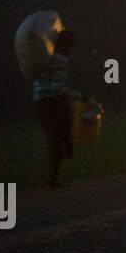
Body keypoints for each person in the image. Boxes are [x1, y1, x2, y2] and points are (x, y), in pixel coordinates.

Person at [33, 29, 86, 188]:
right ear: (67, 44)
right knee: (60, 139)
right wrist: (79, 96)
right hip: (54, 102)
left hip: (40, 101)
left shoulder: (45, 58)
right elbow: (58, 88)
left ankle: (53, 177)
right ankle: (54, 178)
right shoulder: (61, 60)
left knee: (54, 139)